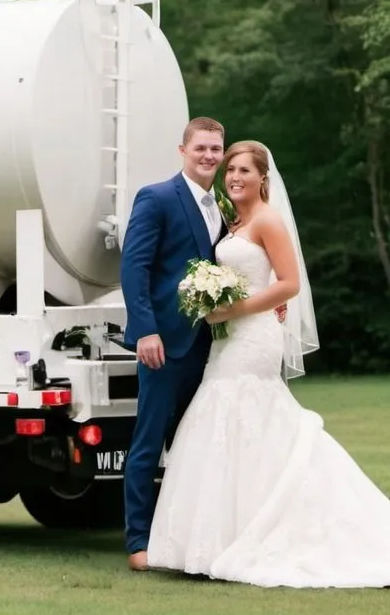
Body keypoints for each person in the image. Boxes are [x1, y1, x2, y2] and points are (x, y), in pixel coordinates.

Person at [146, 141, 390, 588]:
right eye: (230, 170)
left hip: (253, 337)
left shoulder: (269, 221)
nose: (234, 176)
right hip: (228, 338)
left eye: (244, 170)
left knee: (247, 413)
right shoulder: (234, 222)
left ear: (263, 178)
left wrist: (236, 310)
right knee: (222, 419)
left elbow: (290, 283)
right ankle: (218, 538)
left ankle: (267, 531)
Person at [119, 116, 228, 573]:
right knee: (148, 443)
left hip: (212, 346)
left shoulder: (221, 204)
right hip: (163, 344)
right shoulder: (157, 197)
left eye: (216, 149)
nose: (208, 156)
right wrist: (145, 330)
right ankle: (139, 542)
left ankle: (187, 539)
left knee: (196, 446)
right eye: (200, 148)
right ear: (183, 150)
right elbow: (135, 267)